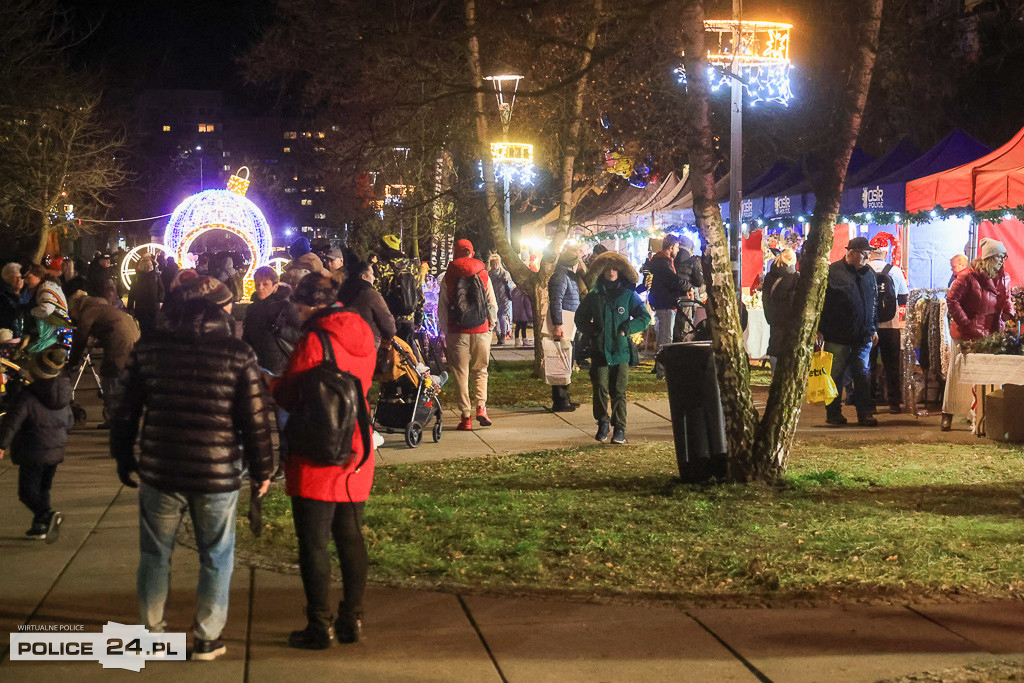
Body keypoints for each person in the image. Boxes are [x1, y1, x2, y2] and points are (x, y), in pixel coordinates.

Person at [110, 276, 273, 661]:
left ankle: (151, 634)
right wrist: (262, 469)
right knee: (216, 555)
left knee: (154, 554)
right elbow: (255, 419)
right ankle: (207, 637)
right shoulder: (238, 353)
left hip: (161, 468)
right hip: (217, 473)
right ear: (221, 310)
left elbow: (125, 409)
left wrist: (123, 456)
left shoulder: (150, 348)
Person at [271, 273, 376, 649]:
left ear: (309, 304)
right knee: (350, 535)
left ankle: (320, 625)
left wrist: (270, 383)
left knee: (314, 541)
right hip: (356, 442)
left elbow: (289, 393)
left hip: (318, 447)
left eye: (299, 304)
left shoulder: (315, 339)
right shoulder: (362, 331)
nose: (297, 311)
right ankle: (353, 619)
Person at [576, 251, 650, 445]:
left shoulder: (628, 295)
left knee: (618, 391)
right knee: (600, 388)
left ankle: (620, 429)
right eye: (608, 268)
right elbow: (580, 318)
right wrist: (592, 331)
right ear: (601, 271)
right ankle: (602, 422)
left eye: (615, 268)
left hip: (620, 350)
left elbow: (644, 317)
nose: (611, 272)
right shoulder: (594, 296)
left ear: (621, 271)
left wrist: (627, 328)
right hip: (600, 350)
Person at [0, 347, 73, 542]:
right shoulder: (63, 394)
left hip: (33, 450)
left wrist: (2, 444)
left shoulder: (26, 396)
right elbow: (70, 421)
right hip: (56, 450)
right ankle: (40, 526)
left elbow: (12, 422)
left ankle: (47, 515)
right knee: (42, 489)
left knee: (26, 492)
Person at [941, 238, 1014, 431]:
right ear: (989, 257)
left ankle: (981, 414)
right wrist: (966, 323)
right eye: (999, 256)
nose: (1002, 260)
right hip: (966, 333)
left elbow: (1006, 297)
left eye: (1004, 257)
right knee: (957, 374)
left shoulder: (1004, 277)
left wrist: (1009, 310)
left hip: (992, 332)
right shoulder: (968, 276)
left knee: (987, 375)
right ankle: (948, 413)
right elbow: (952, 300)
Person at [818, 236, 879, 427]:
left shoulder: (868, 274)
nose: (867, 258)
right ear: (850, 253)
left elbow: (873, 303)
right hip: (837, 335)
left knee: (863, 375)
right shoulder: (833, 272)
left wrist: (873, 328)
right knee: (835, 375)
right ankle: (833, 413)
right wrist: (819, 330)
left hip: (863, 335)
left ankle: (864, 413)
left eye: (868, 254)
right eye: (863, 254)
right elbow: (821, 303)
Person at [438, 239, 498, 431]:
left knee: (460, 373)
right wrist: (490, 325)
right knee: (481, 370)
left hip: (458, 332)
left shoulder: (449, 275)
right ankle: (481, 408)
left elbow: (443, 306)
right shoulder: (483, 273)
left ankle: (466, 417)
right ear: (471, 252)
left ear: (455, 253)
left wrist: (446, 330)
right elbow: (491, 303)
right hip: (481, 329)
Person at [68, 292, 141, 428]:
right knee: (120, 375)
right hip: (132, 338)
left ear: (76, 307)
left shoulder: (88, 312)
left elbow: (80, 338)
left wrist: (72, 361)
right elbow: (109, 326)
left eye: (71, 312)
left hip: (120, 344)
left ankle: (115, 417)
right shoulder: (100, 306)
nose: (72, 317)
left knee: (109, 376)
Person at [868, 246, 909, 414]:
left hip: (869, 327)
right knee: (892, 366)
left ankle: (870, 404)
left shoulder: (864, 270)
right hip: (891, 326)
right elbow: (903, 298)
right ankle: (894, 404)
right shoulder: (895, 271)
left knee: (869, 366)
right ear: (885, 254)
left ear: (870, 254)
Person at [547, 249, 582, 412]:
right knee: (560, 362)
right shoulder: (560, 277)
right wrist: (558, 324)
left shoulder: (567, 277)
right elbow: (556, 301)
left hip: (570, 324)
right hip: (564, 325)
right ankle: (559, 400)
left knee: (567, 360)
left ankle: (565, 397)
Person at [374, 234, 424, 346]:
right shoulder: (411, 266)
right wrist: (419, 317)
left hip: (388, 319)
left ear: (385, 248)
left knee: (389, 352)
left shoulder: (380, 267)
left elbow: (375, 295)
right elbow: (419, 293)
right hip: (408, 317)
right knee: (407, 351)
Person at [337, 261, 396, 350]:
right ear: (363, 277)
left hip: (343, 344)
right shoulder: (372, 295)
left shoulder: (341, 293)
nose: (374, 278)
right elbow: (389, 327)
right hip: (367, 347)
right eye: (372, 274)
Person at [646, 235, 682, 378]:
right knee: (666, 338)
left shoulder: (660, 261)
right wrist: (686, 286)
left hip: (662, 303)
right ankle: (662, 370)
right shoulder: (664, 263)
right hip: (666, 304)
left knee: (663, 336)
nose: (678, 251)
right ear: (671, 248)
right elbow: (673, 280)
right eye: (677, 247)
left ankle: (659, 367)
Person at [761, 249, 800, 372]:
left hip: (774, 319)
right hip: (789, 320)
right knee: (788, 348)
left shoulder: (769, 276)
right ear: (792, 260)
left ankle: (774, 374)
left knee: (774, 347)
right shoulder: (794, 277)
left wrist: (769, 316)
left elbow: (765, 298)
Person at [22, 263, 73, 355]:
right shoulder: (47, 286)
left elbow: (46, 310)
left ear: (38, 276)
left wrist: (30, 312)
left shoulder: (46, 287)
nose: (26, 281)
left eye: (29, 278)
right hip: (57, 331)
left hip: (54, 333)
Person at [673, 236, 704, 341]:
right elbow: (698, 281)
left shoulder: (672, 260)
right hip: (687, 300)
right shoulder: (692, 261)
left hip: (672, 301)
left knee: (672, 330)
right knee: (685, 330)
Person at [126, 256, 164, 340]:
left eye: (150, 265)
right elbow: (161, 290)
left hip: (143, 306)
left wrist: (130, 307)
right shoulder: (153, 276)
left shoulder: (139, 277)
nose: (149, 267)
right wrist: (160, 301)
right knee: (150, 326)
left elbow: (132, 293)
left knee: (145, 326)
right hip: (149, 306)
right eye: (148, 265)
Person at [487, 254, 514, 346]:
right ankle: (498, 334)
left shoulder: (505, 274)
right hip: (493, 298)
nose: (495, 265)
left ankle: (503, 335)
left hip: (504, 298)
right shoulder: (489, 274)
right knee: (495, 318)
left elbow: (511, 285)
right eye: (493, 263)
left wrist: (507, 283)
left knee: (502, 317)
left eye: (496, 263)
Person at [0, 263, 25, 341]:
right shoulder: (3, 297)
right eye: (16, 277)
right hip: (6, 337)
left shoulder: (24, 296)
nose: (19, 280)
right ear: (7, 279)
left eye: (21, 277)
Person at [511, 282, 533, 348]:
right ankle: (524, 340)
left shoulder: (513, 292)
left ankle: (517, 341)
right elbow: (527, 305)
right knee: (523, 328)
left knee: (517, 327)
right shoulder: (524, 294)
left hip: (516, 314)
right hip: (524, 314)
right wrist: (530, 316)